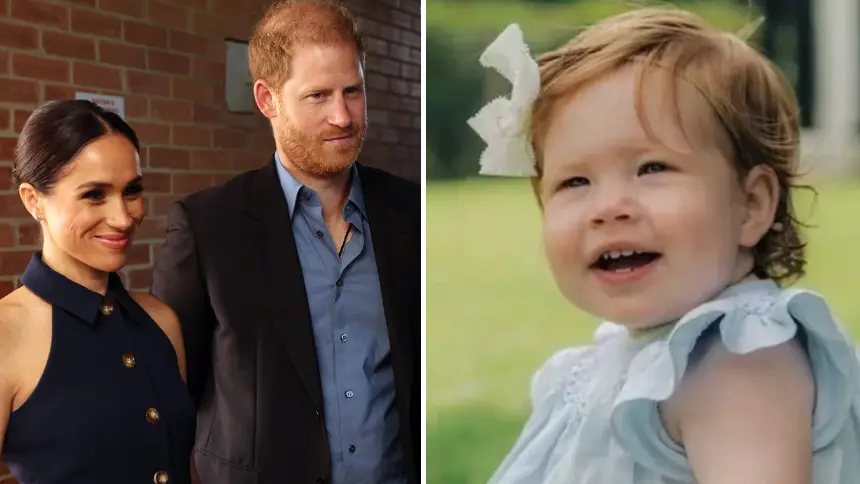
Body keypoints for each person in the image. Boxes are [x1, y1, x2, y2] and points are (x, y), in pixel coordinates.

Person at [467, 7, 860, 484]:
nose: (608, 207)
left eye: (652, 168)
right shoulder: (639, 354)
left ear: (751, 205)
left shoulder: (740, 360)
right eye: (575, 181)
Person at [150, 1, 419, 483]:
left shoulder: (413, 213)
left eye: (353, 91)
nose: (342, 116)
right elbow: (169, 395)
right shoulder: (207, 227)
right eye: (318, 96)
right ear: (267, 99)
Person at [0, 99, 195, 484]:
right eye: (94, 194)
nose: (123, 218)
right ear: (33, 200)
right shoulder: (6, 332)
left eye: (132, 190)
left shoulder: (161, 320)